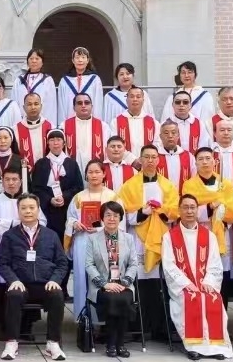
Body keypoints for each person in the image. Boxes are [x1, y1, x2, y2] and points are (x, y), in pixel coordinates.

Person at [0, 193, 68, 361]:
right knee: (13, 294)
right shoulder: (10, 235)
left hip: (45, 284)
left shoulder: (51, 235)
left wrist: (55, 280)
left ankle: (53, 342)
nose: (27, 211)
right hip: (21, 284)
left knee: (58, 295)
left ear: (38, 210)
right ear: (18, 211)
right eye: (23, 208)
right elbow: (2, 263)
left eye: (31, 208)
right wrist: (13, 280)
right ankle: (12, 341)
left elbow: (62, 263)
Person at [160, 194, 232, 360]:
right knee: (192, 298)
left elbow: (215, 263)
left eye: (193, 207)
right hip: (183, 285)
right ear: (179, 210)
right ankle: (194, 346)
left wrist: (208, 281)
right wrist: (186, 283)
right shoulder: (170, 237)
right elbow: (169, 265)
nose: (189, 211)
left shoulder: (209, 236)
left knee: (213, 297)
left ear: (197, 210)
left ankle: (216, 345)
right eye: (185, 207)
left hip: (205, 282)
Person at [117, 145, 178, 336]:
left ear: (158, 160)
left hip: (160, 237)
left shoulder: (167, 185)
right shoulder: (129, 186)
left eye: (154, 157)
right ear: (140, 160)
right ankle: (139, 327)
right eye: (147, 157)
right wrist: (141, 213)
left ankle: (160, 328)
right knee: (140, 282)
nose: (150, 161)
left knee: (159, 284)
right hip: (138, 238)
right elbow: (123, 214)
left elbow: (174, 212)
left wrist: (160, 212)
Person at [0, 167, 46, 324]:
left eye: (14, 179)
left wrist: (23, 224)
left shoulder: (28, 200)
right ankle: (3, 323)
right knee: (1, 281)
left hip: (24, 250)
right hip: (0, 247)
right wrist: (16, 224)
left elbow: (42, 222)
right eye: (7, 180)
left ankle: (26, 324)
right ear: (2, 181)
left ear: (21, 181)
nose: (11, 183)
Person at [84, 201, 139, 358]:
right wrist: (104, 284)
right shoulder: (93, 239)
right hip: (101, 285)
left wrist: (125, 282)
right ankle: (112, 344)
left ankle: (119, 344)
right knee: (111, 299)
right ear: (102, 218)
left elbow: (133, 264)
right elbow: (89, 265)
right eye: (108, 215)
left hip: (123, 284)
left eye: (115, 215)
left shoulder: (128, 238)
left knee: (123, 298)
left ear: (120, 218)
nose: (112, 218)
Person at [65, 160, 116, 318]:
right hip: (82, 240)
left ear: (103, 174)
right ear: (86, 175)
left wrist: (102, 228)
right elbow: (69, 219)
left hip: (105, 241)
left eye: (97, 172)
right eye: (90, 172)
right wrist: (75, 224)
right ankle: (83, 319)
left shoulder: (112, 196)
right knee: (81, 280)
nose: (94, 175)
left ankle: (103, 319)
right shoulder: (78, 197)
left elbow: (119, 222)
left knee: (102, 278)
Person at [181, 148, 233, 274]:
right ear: (195, 163)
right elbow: (188, 209)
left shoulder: (225, 184)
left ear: (215, 162)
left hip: (221, 228)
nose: (205, 162)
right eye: (200, 159)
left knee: (222, 267)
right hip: (199, 229)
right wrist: (210, 206)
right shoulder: (189, 185)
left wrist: (221, 211)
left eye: (208, 158)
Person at [31, 129, 83, 239]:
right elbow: (35, 189)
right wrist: (50, 200)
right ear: (48, 143)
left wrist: (64, 197)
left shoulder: (72, 163)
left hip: (67, 209)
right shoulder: (41, 164)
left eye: (59, 140)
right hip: (46, 210)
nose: (55, 143)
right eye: (52, 140)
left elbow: (78, 187)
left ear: (64, 143)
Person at [10, 49, 58, 125]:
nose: (34, 61)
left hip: (41, 122)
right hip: (22, 122)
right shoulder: (19, 80)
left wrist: (49, 125)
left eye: (37, 58)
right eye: (31, 59)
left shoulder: (47, 80)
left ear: (42, 62)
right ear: (27, 62)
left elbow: (51, 105)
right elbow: (14, 103)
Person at [64, 93, 109, 174]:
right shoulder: (64, 125)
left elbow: (108, 152)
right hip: (72, 172)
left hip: (96, 174)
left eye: (87, 103)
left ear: (91, 106)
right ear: (74, 107)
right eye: (79, 103)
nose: (83, 105)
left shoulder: (103, 126)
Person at [57, 47, 104, 123]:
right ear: (73, 60)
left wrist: (96, 122)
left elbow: (98, 103)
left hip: (89, 121)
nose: (80, 60)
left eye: (83, 57)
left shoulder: (95, 79)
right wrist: (62, 124)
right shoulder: (64, 81)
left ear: (87, 60)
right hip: (69, 120)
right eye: (77, 57)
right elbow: (61, 105)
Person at [109, 86, 156, 155]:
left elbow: (157, 143)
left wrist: (144, 159)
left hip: (147, 163)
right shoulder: (116, 122)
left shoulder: (153, 122)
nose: (135, 99)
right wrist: (131, 160)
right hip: (125, 163)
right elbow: (114, 145)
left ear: (143, 100)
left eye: (138, 96)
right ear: (126, 100)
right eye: (131, 96)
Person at [16, 92, 53, 168]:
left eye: (36, 104)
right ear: (23, 107)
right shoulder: (15, 129)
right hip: (25, 174)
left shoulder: (51, 127)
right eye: (29, 104)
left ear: (41, 106)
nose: (33, 107)